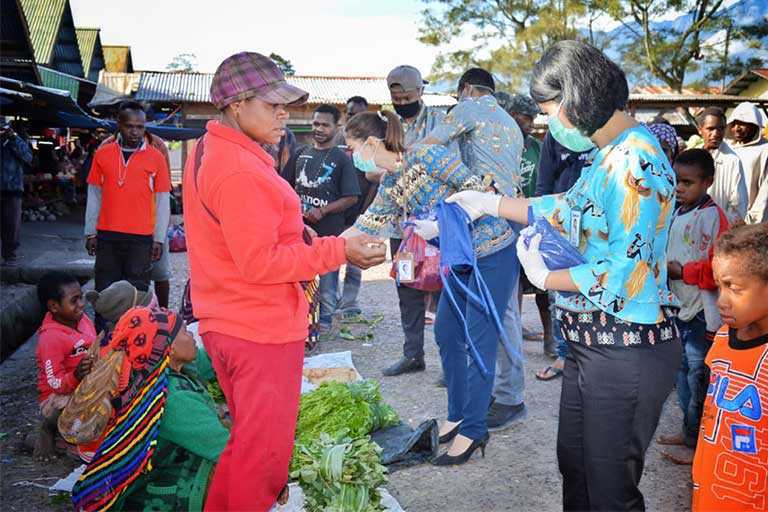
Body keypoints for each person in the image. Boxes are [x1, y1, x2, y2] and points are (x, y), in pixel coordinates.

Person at [448, 41, 682, 509]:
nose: (548, 123)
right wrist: (487, 205)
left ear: (578, 97)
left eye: (551, 109)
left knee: (609, 489)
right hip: (591, 344)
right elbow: (565, 207)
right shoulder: (608, 155)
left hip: (624, 346)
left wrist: (545, 277)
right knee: (576, 467)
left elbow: (627, 272)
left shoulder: (636, 159)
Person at [182, 52, 386, 511]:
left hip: (228, 318)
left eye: (285, 104)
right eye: (272, 104)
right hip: (258, 328)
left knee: (245, 448)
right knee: (264, 460)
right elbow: (258, 263)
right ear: (236, 104)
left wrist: (299, 232)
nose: (284, 114)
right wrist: (338, 249)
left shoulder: (210, 149)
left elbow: (237, 233)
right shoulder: (239, 169)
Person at [418, 72, 526, 436]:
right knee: (500, 319)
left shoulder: (468, 109)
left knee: (476, 332)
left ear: (465, 89)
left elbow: (427, 150)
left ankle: (474, 423)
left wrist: (457, 190)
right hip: (506, 227)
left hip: (478, 234)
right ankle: (502, 399)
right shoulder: (512, 122)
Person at [72, 306, 230, 512]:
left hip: (153, 472)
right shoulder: (175, 399)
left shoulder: (152, 371)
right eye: (183, 331)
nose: (192, 335)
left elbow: (213, 360)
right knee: (224, 471)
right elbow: (225, 448)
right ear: (169, 349)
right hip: (144, 495)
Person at [657, 148, 728, 465]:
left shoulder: (714, 217)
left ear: (708, 182)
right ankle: (689, 432)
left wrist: (682, 272)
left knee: (700, 375)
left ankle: (699, 444)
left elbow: (720, 268)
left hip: (703, 313)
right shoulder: (676, 210)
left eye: (687, 182)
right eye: (676, 181)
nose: (680, 188)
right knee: (684, 372)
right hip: (679, 307)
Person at [691, 223, 768, 512]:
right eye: (718, 286)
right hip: (711, 486)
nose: (721, 301)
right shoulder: (723, 336)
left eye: (734, 288)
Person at [377, 64, 447, 377]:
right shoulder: (385, 125)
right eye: (397, 97)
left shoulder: (440, 122)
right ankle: (412, 354)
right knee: (407, 287)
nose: (402, 102)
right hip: (401, 229)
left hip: (435, 227)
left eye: (408, 95)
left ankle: (451, 362)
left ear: (421, 91)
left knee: (445, 289)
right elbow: (371, 168)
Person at [281, 104, 361, 333]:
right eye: (316, 123)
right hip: (299, 231)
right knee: (298, 279)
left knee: (327, 282)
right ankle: (300, 324)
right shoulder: (299, 154)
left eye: (325, 125)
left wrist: (323, 210)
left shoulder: (342, 159)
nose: (319, 129)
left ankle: (325, 323)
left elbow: (351, 197)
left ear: (337, 128)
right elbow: (282, 187)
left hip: (329, 231)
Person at [84, 101, 171, 307]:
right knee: (104, 291)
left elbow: (162, 201)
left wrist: (158, 239)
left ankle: (133, 336)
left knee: (137, 293)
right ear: (119, 124)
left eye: (140, 127)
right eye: (129, 126)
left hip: (141, 239)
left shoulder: (156, 157)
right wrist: (90, 232)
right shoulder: (103, 153)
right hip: (107, 236)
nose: (135, 132)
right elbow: (94, 194)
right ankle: (105, 336)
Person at [533, 131, 596, 380]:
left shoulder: (604, 129)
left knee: (593, 289)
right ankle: (563, 354)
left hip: (595, 227)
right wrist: (542, 225)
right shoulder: (556, 133)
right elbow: (544, 183)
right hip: (559, 225)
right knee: (558, 294)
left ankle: (589, 355)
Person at [34, 271, 96, 462]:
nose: (81, 304)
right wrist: (76, 375)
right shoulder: (50, 338)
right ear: (53, 306)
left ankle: (64, 439)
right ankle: (46, 431)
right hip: (56, 400)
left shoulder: (82, 320)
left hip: (83, 389)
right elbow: (54, 383)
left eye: (81, 297)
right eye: (74, 300)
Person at [337, 96, 378, 321]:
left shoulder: (371, 145)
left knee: (355, 258)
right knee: (331, 255)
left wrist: (367, 210)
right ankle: (330, 299)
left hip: (360, 209)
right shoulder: (337, 140)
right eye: (351, 113)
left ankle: (350, 302)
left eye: (360, 114)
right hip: (336, 209)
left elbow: (373, 181)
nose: (354, 117)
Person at [697, 107, 748, 223]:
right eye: (710, 129)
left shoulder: (732, 160)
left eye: (720, 129)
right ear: (700, 130)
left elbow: (739, 204)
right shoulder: (693, 156)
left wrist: (723, 227)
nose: (715, 134)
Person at [727, 102, 768, 224]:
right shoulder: (728, 149)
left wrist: (752, 220)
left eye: (742, 124)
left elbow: (765, 192)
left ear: (755, 125)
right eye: (734, 124)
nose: (737, 128)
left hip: (750, 220)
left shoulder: (764, 150)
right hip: (727, 217)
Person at [1, 118, 33, 266]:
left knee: (11, 226)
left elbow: (27, 157)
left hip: (12, 189)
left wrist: (13, 138)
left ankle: (10, 255)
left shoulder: (17, 141)